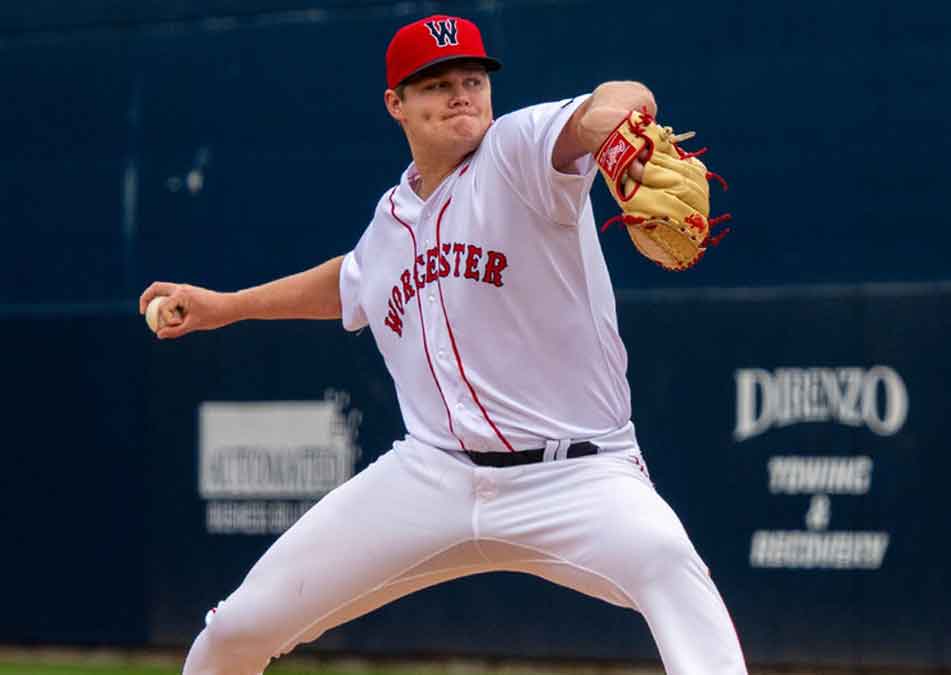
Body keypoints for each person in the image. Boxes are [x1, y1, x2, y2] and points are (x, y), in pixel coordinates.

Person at [140, 14, 747, 675]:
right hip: (434, 475)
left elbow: (615, 99)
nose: (460, 93)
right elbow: (351, 283)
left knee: (668, 566)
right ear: (395, 104)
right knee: (236, 628)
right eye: (435, 84)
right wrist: (224, 307)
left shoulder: (519, 153)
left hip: (578, 474)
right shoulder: (391, 219)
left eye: (471, 78)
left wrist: (619, 143)